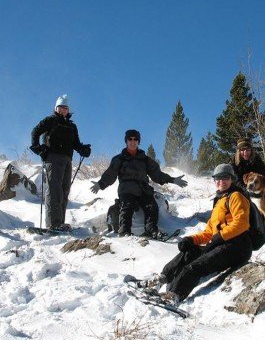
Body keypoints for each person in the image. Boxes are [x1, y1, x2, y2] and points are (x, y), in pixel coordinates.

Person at [140, 163, 253, 306]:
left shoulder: (237, 196)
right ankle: (160, 280)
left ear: (232, 179)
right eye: (218, 178)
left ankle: (173, 296)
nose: (221, 181)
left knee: (194, 267)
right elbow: (208, 232)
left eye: (225, 178)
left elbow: (242, 223)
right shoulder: (220, 201)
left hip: (238, 246)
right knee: (188, 252)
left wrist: (220, 236)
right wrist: (191, 240)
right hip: (223, 243)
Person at [90, 129, 187, 238]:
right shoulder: (119, 159)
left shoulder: (145, 160)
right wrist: (100, 184)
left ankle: (151, 230)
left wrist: (172, 180)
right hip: (127, 189)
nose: (133, 141)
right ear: (126, 141)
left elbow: (157, 174)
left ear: (138, 141)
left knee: (151, 206)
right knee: (127, 206)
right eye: (130, 139)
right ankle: (124, 232)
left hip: (143, 189)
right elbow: (110, 174)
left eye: (135, 139)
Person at [30, 95, 91, 231]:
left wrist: (83, 149)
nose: (63, 109)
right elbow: (35, 131)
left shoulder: (72, 126)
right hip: (53, 158)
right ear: (56, 108)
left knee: (64, 190)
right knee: (54, 189)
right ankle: (53, 223)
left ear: (68, 110)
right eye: (61, 107)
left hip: (67, 160)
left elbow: (76, 143)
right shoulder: (50, 120)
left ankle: (60, 223)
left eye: (65, 107)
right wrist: (38, 148)